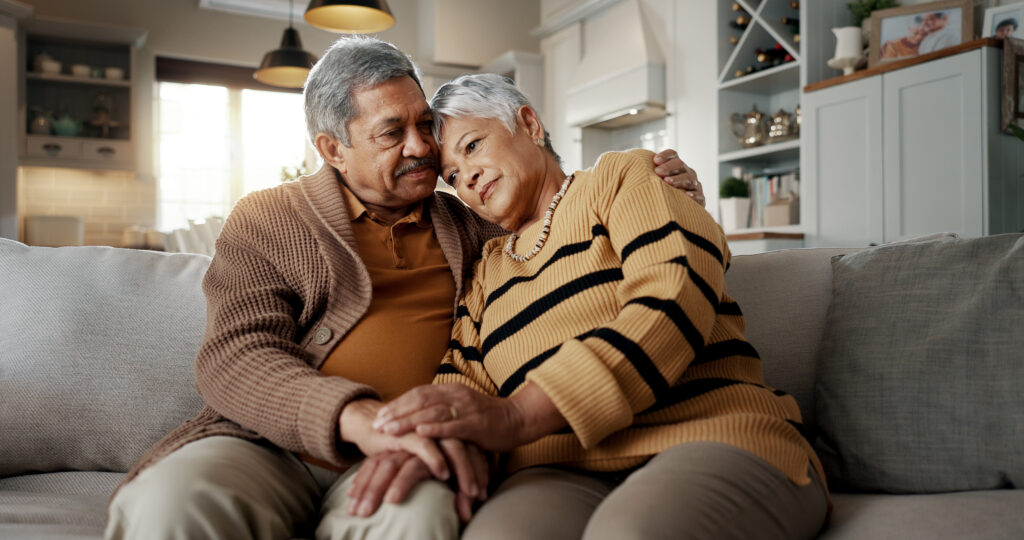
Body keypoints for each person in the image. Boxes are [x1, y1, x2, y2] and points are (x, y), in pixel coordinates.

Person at [104, 36, 703, 540]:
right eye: (392, 133)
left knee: (420, 519)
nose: (421, 147)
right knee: (176, 504)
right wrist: (358, 418)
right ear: (333, 148)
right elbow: (235, 357)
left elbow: (559, 210)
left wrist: (665, 188)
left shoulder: (471, 219)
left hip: (418, 452)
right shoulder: (269, 217)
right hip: (268, 447)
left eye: (424, 125)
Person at [370, 73, 830, 540]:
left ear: (529, 124)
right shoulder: (486, 270)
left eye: (472, 146)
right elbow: (462, 385)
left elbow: (673, 299)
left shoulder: (623, 178)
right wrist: (424, 445)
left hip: (711, 434)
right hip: (556, 469)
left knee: (631, 533)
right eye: (451, 176)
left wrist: (519, 415)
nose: (464, 177)